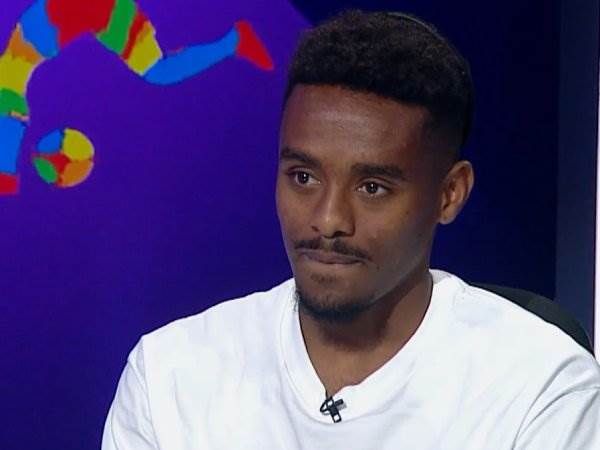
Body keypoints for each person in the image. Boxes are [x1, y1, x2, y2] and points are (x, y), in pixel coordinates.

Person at [102, 10, 600, 449]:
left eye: (372, 187)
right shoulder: (169, 378)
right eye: (304, 177)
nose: (328, 220)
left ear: (449, 194)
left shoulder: (540, 387)